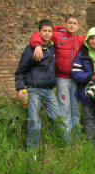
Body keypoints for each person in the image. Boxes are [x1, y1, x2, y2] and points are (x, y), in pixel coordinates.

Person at [29, 14, 95, 142]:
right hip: (62, 78)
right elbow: (37, 35)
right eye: (69, 22)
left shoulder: (79, 39)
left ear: (78, 26)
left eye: (74, 23)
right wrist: (38, 45)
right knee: (64, 108)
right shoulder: (57, 35)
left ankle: (75, 138)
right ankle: (66, 140)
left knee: (75, 108)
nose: (72, 25)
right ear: (65, 24)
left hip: (75, 79)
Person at [15, 19, 63, 149]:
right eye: (44, 31)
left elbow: (63, 30)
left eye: (49, 31)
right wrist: (20, 88)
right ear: (39, 33)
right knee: (34, 121)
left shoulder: (53, 47)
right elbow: (20, 71)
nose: (47, 33)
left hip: (49, 90)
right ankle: (32, 151)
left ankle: (55, 145)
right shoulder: (31, 49)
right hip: (33, 90)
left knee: (57, 118)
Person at [71, 27, 95, 148]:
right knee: (90, 120)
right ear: (87, 39)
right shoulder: (82, 55)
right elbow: (75, 73)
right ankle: (94, 148)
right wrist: (89, 76)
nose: (94, 41)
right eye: (91, 38)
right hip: (87, 93)